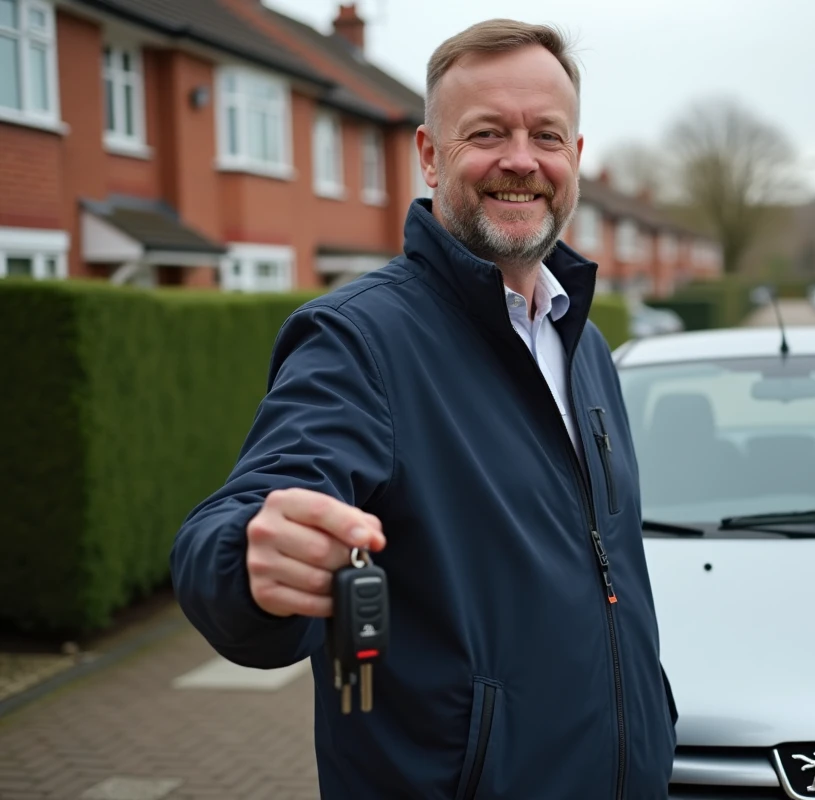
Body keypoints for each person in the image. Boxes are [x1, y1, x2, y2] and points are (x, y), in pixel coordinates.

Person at [169, 17, 677, 800]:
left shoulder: (585, 346)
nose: (520, 159)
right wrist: (248, 561)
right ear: (430, 157)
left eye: (546, 134)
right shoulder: (360, 341)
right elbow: (245, 517)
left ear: (575, 160)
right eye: (485, 133)